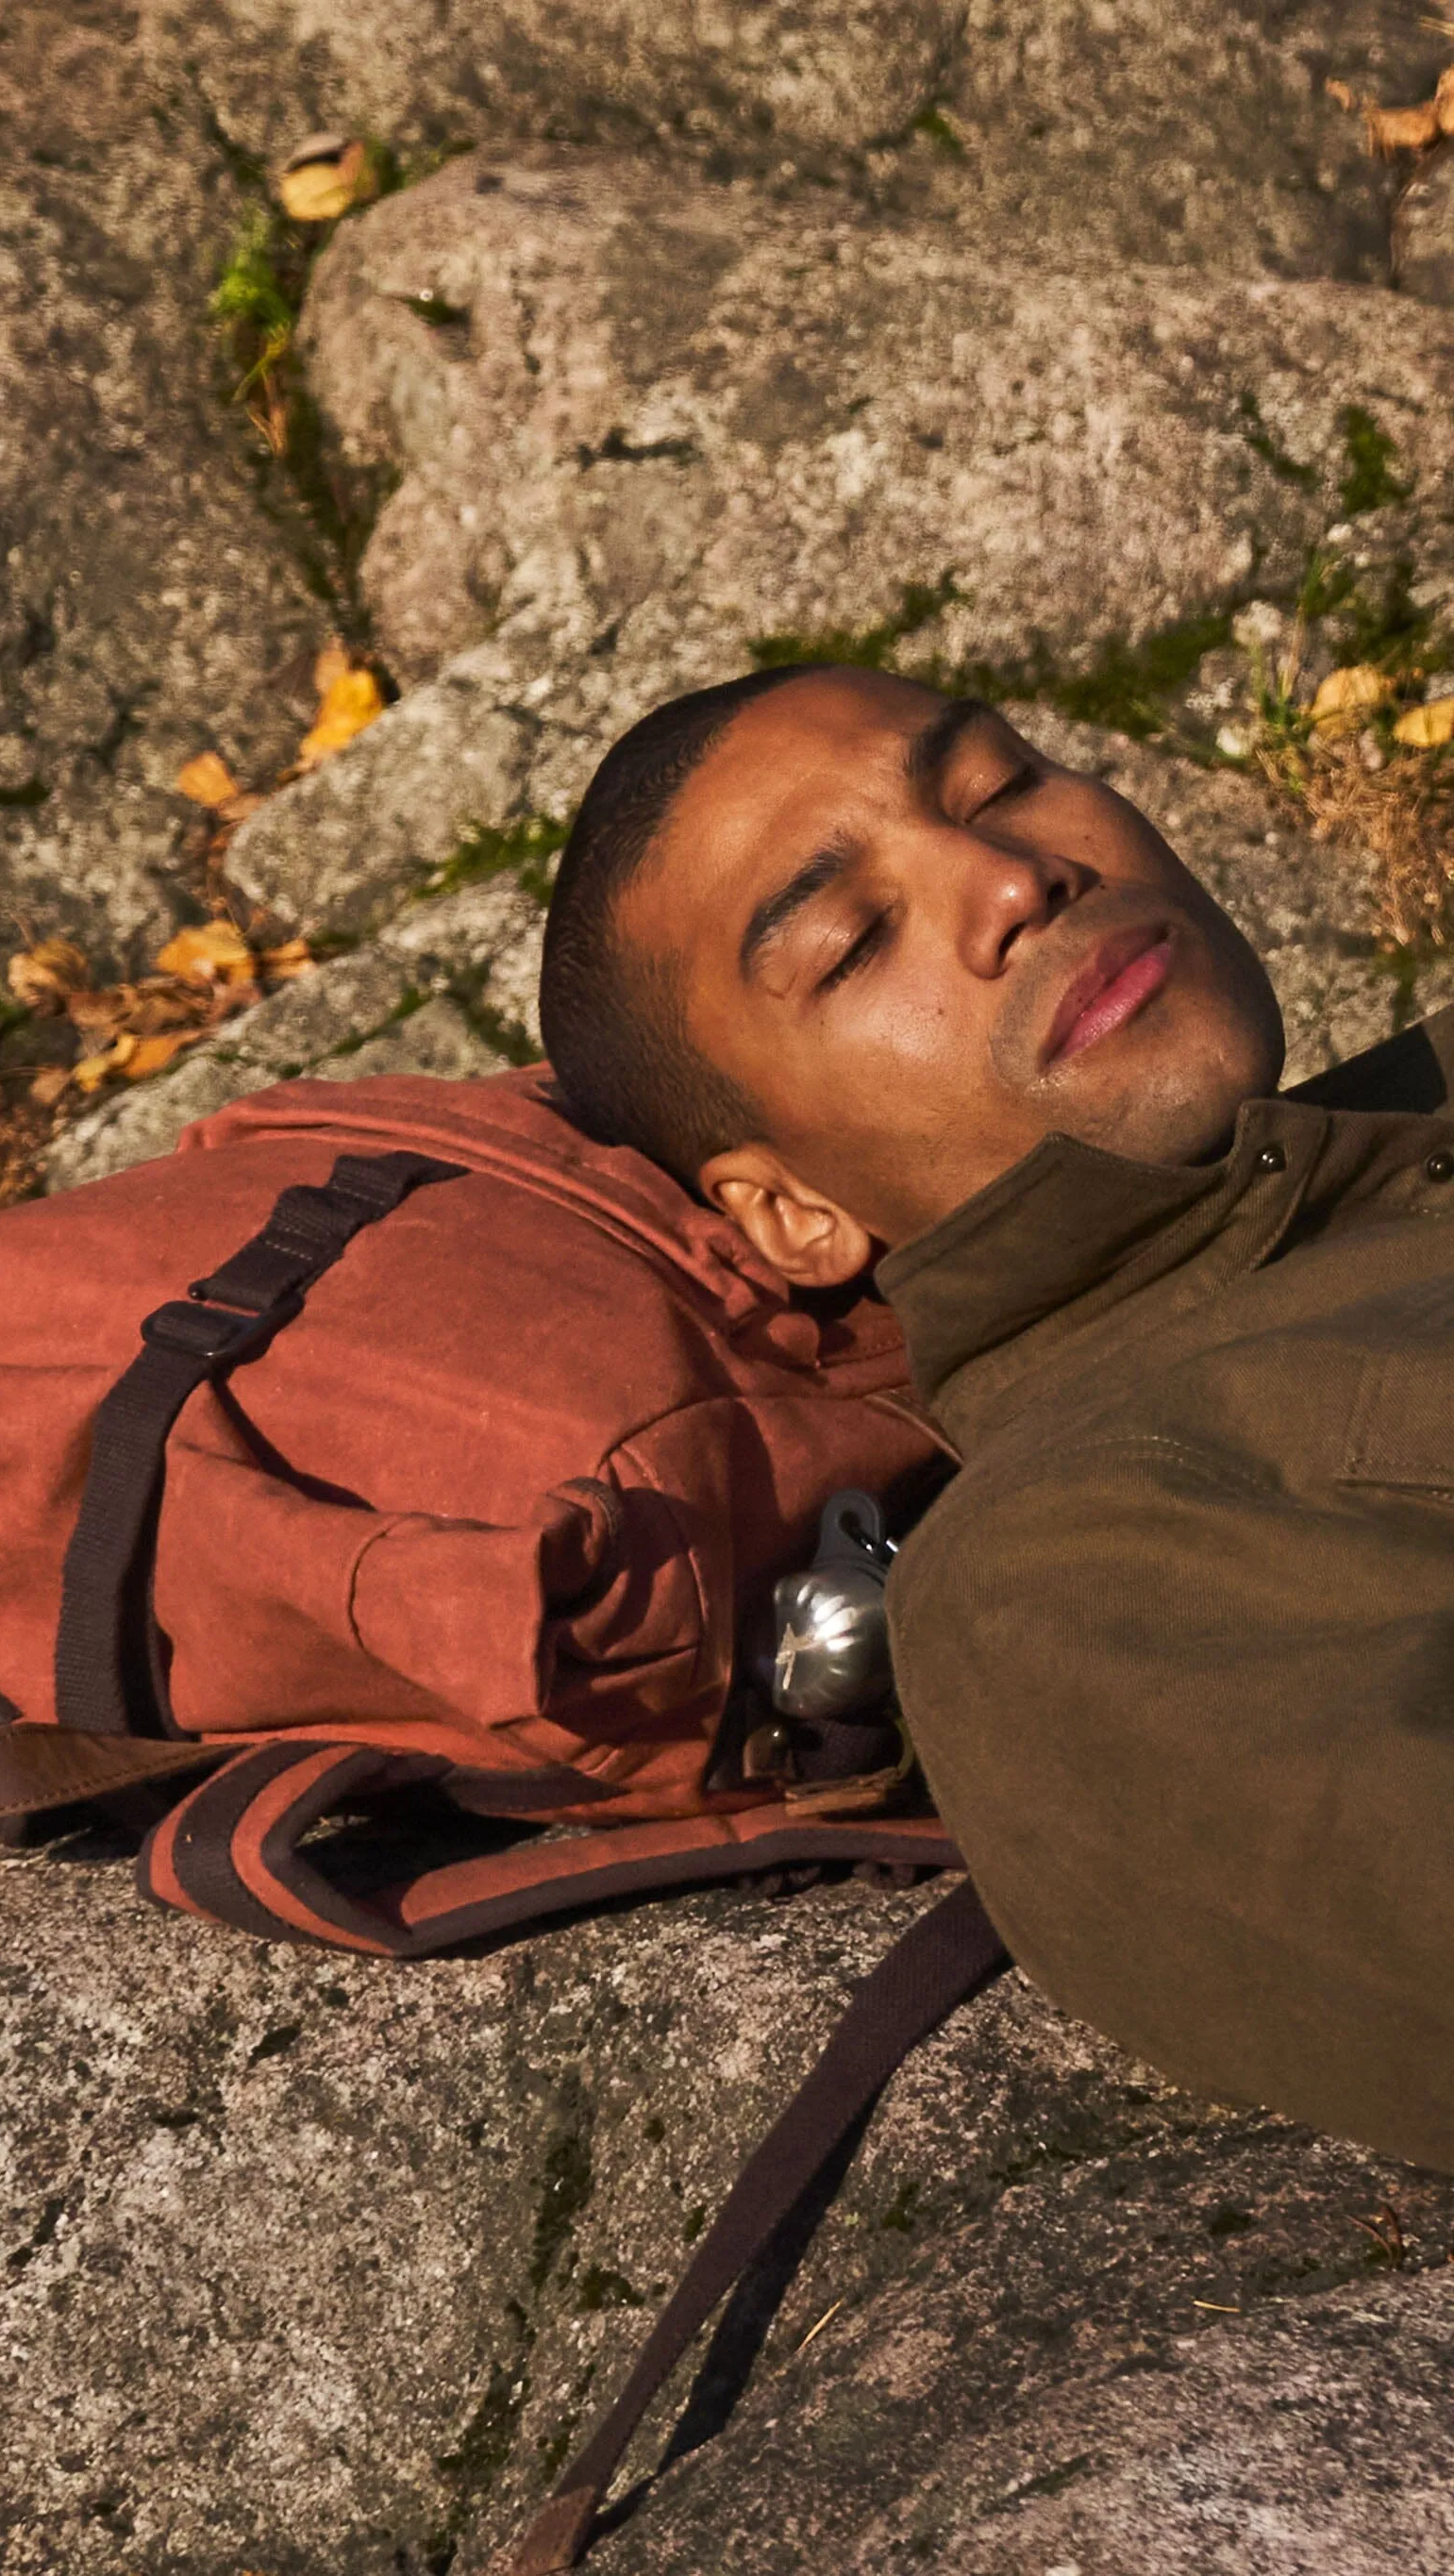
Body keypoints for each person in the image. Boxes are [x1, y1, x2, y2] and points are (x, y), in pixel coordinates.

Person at [541, 662, 1454, 2174]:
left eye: (1000, 783)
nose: (1018, 878)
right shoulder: (1061, 1573)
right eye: (854, 941)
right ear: (791, 1210)